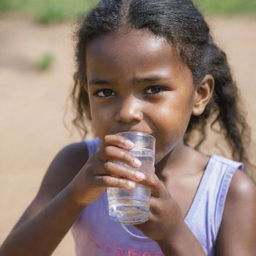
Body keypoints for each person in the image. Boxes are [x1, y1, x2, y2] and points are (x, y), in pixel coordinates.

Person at [1, 0, 256, 255]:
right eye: (105, 92)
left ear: (200, 94)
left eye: (153, 89)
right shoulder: (75, 165)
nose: (127, 112)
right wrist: (73, 198)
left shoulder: (230, 192)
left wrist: (174, 234)